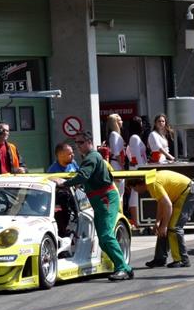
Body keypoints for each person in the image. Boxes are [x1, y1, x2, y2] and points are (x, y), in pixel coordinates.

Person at [58, 131, 133, 281]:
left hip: (105, 199)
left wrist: (63, 183)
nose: (78, 146)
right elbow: (85, 178)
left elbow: (83, 176)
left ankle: (122, 268)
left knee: (106, 236)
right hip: (100, 200)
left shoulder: (91, 157)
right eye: (76, 143)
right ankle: (126, 268)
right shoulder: (90, 158)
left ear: (89, 142)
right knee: (103, 239)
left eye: (80, 143)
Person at [127, 170, 194, 268]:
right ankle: (159, 259)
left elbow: (168, 205)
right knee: (162, 228)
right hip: (182, 193)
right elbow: (161, 203)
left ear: (139, 185)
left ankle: (182, 260)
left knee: (173, 227)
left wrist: (164, 226)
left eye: (133, 188)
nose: (135, 191)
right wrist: (158, 222)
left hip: (188, 192)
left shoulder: (153, 184)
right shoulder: (150, 180)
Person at [126, 116, 148, 228]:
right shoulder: (134, 137)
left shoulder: (135, 137)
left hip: (137, 167)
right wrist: (142, 168)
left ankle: (136, 220)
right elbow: (136, 155)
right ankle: (135, 221)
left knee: (136, 193)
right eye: (141, 123)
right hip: (138, 169)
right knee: (135, 193)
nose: (143, 125)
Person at [106, 113, 126, 197]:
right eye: (119, 120)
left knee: (120, 192)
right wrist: (122, 167)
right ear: (115, 122)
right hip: (116, 164)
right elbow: (116, 153)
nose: (122, 121)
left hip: (118, 163)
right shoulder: (114, 135)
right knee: (118, 192)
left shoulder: (116, 134)